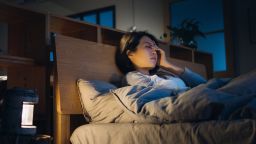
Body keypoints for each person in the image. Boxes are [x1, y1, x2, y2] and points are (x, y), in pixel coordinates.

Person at [115, 31, 207, 94]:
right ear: (131, 53)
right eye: (148, 46)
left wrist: (166, 65)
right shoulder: (132, 77)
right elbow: (158, 95)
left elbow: (203, 83)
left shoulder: (163, 74)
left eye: (155, 47)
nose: (155, 51)